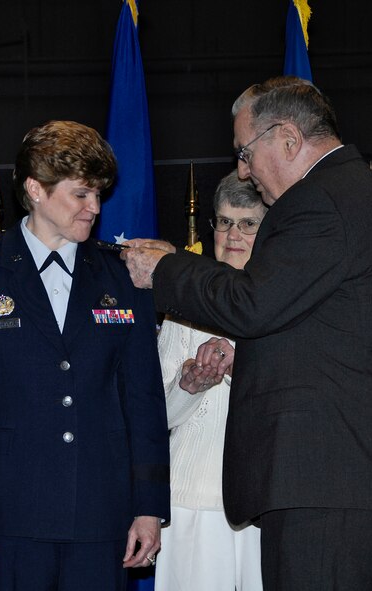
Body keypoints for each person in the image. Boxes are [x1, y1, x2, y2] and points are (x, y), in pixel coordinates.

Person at [121, 76, 372, 590]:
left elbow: (252, 303)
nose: (242, 169)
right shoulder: (347, 192)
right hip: (336, 478)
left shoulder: (321, 202)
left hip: (329, 480)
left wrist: (168, 268)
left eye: (245, 151)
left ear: (286, 137)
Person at [0, 120, 170, 591]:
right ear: (35, 189)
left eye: (99, 194)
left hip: (103, 520)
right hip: (7, 519)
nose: (95, 208)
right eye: (81, 194)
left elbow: (143, 398)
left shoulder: (122, 275)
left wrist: (148, 506)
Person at [154, 171, 264, 591]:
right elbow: (157, 415)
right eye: (223, 221)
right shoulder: (183, 302)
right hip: (188, 503)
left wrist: (239, 368)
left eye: (248, 223)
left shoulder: (284, 301)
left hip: (258, 504)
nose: (233, 234)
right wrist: (188, 387)